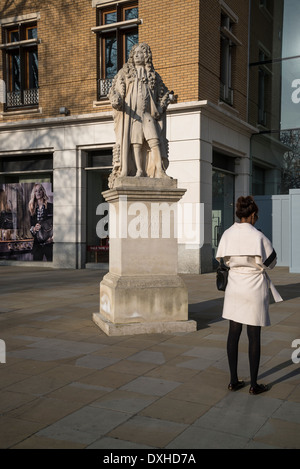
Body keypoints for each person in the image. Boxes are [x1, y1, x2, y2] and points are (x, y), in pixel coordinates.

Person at [216, 196, 283, 395]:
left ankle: (233, 381)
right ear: (253, 215)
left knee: (233, 333)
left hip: (234, 287)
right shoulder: (258, 236)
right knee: (254, 336)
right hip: (254, 287)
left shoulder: (227, 233)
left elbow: (222, 260)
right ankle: (254, 385)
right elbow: (272, 262)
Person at [108, 42, 170, 186]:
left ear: (146, 56)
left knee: (154, 140)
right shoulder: (124, 73)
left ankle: (159, 170)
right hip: (131, 115)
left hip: (147, 114)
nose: (137, 55)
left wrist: (164, 101)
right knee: (135, 143)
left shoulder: (154, 76)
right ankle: (139, 171)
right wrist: (116, 100)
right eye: (135, 53)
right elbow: (115, 91)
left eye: (140, 53)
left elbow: (162, 94)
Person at [28, 183, 53, 261]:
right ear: (34, 194)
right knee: (36, 265)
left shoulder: (50, 206)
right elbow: (31, 228)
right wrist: (34, 229)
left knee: (51, 264)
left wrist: (53, 238)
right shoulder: (32, 209)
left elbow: (56, 223)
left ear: (43, 192)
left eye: (40, 190)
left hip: (49, 242)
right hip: (37, 243)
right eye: (36, 191)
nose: (38, 192)